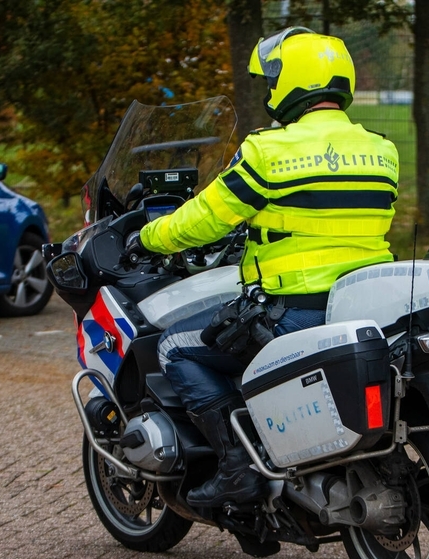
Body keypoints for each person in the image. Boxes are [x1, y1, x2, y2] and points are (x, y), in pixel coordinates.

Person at [126, 27, 399, 507]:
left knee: (176, 347)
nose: (270, 89)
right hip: (363, 306)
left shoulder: (269, 150)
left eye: (272, 79)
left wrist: (149, 236)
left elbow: (206, 218)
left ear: (293, 80)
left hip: (295, 310)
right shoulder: (382, 150)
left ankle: (237, 467)